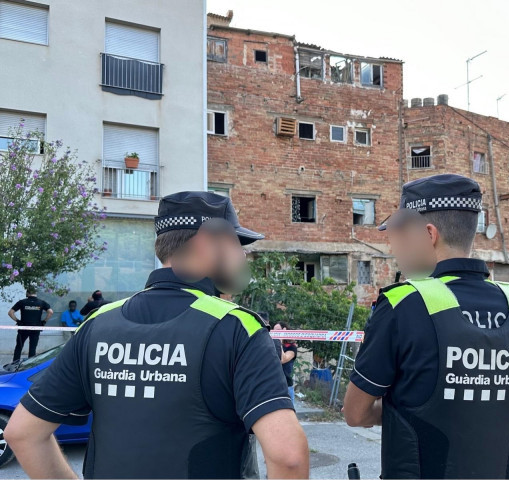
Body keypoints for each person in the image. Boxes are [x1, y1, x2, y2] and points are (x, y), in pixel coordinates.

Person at [5, 191, 309, 479]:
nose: (242, 257)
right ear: (207, 243)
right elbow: (288, 457)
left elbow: (22, 433)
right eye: (236, 244)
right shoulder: (238, 328)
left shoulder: (97, 323)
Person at [343, 174, 509, 479]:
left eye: (400, 233)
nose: (394, 247)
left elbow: (355, 413)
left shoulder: (403, 302)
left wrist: (403, 413)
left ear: (429, 234)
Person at [8, 287, 53, 362]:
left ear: (27, 293)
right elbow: (50, 312)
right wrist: (44, 321)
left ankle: (14, 365)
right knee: (32, 348)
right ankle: (30, 365)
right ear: (36, 293)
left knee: (19, 347)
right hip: (36, 328)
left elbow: (10, 313)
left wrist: (18, 321)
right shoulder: (41, 302)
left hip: (23, 327)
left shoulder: (22, 302)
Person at [274, 322, 298, 403]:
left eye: (278, 331)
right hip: (273, 385)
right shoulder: (272, 344)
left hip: (286, 385)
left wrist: (279, 340)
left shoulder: (292, 347)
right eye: (274, 330)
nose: (275, 333)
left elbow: (282, 359)